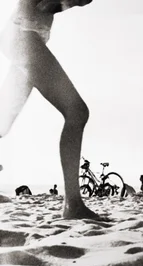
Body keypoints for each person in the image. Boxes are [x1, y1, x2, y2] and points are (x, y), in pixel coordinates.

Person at [1, 0, 99, 219]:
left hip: (22, 37)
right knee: (77, 112)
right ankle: (73, 204)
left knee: (2, 125)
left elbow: (51, 5)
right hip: (23, 37)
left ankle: (73, 205)